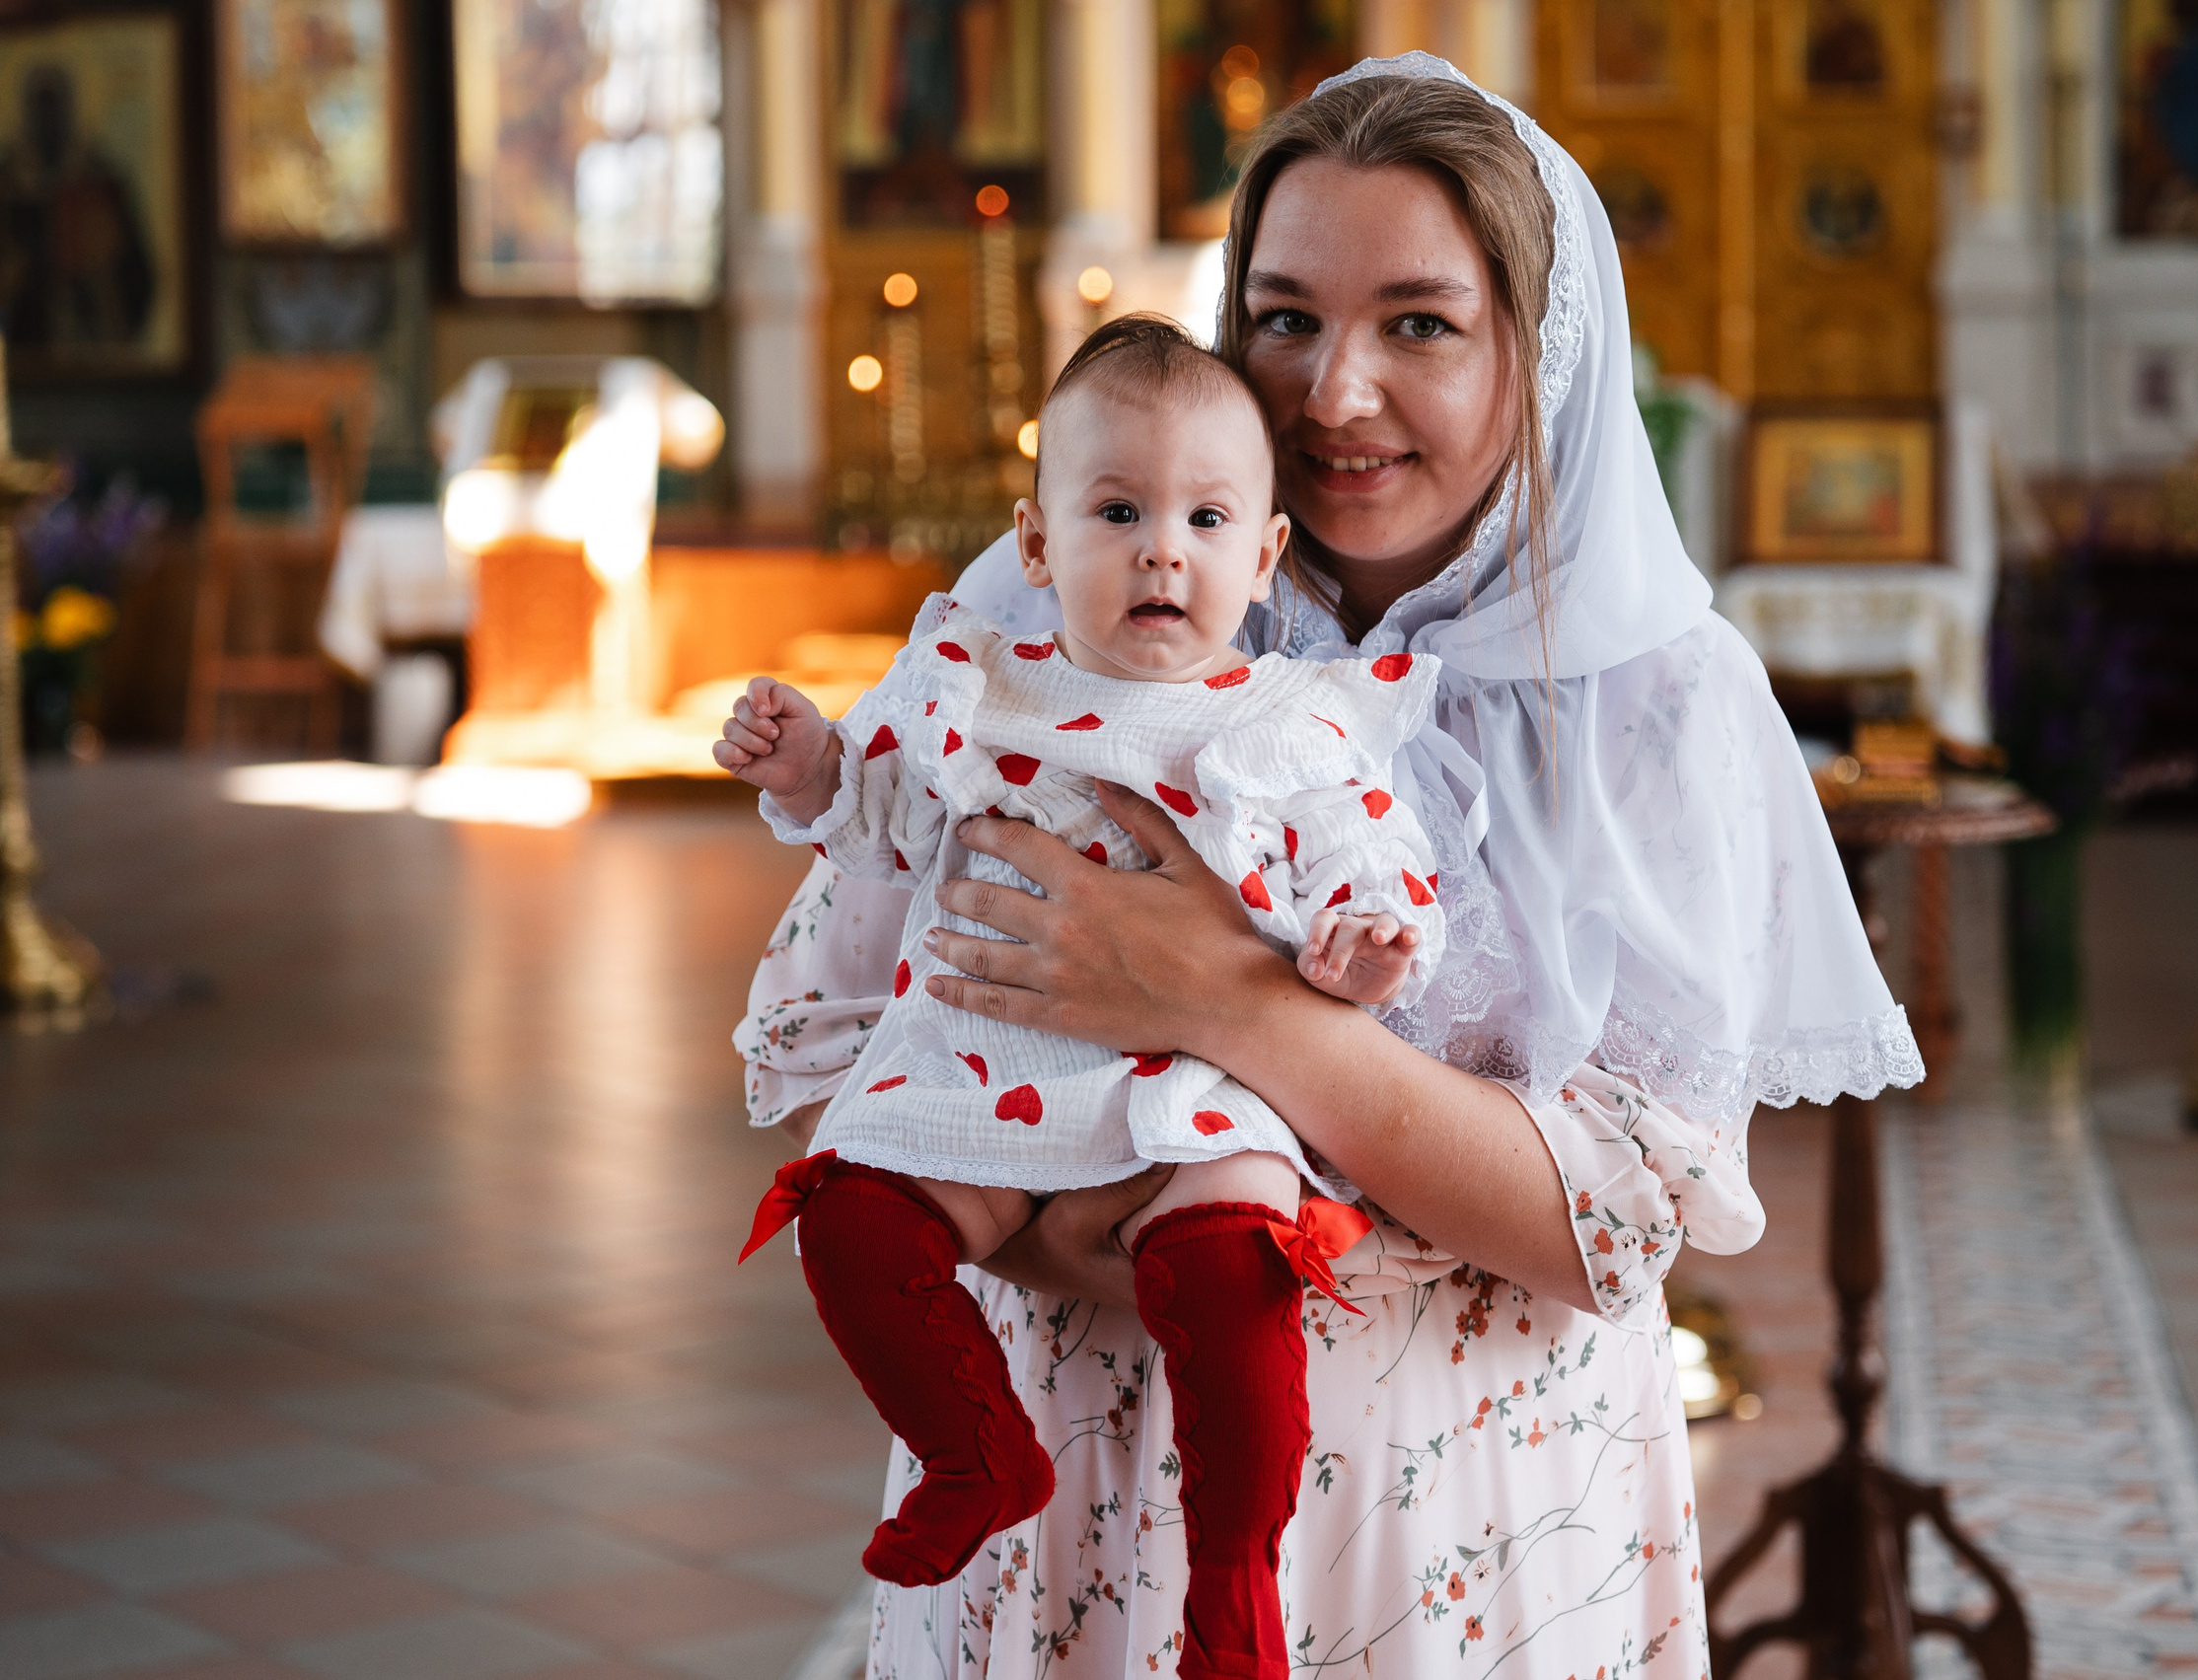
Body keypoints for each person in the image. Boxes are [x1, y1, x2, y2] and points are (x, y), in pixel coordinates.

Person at [735, 53, 1921, 1678]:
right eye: (1284, 318)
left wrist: (1231, 1006)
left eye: (1419, 324)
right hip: (1086, 1485)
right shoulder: (1049, 614)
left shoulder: (1656, 700)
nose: (1333, 394)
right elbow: (848, 1051)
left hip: (1480, 1515)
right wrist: (1088, 1228)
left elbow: (1616, 1228)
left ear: (1539, 349)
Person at [719, 316, 1447, 1676]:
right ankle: (974, 1450)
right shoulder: (978, 688)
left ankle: (1233, 1578)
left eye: (1205, 519)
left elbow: (1368, 855)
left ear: (1264, 556)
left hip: (1190, 1085)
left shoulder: (1287, 721)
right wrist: (809, 763)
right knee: (851, 1221)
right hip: (984, 1064)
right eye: (1118, 512)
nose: (1163, 550)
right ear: (1039, 544)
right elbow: (878, 820)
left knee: (1236, 1266)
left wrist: (1362, 942)